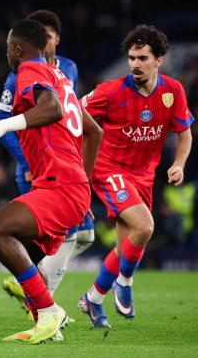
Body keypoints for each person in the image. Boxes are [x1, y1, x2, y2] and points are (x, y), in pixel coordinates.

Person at [0, 19, 102, 344]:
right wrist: (85, 182)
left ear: (16, 49)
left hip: (59, 186)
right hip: (68, 186)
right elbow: (94, 132)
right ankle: (47, 319)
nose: (7, 56)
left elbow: (51, 110)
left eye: (8, 50)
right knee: (22, 253)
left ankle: (50, 313)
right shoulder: (61, 77)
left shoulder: (28, 71)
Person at [77, 25, 194, 328]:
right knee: (144, 227)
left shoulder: (173, 91)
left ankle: (92, 298)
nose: (135, 64)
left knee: (124, 246)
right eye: (131, 58)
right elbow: (73, 114)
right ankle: (125, 283)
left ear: (159, 60)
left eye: (142, 58)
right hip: (109, 171)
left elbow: (184, 133)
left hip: (144, 177)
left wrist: (179, 164)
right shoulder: (110, 91)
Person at [0, 10, 95, 313]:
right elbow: (5, 120)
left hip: (66, 170)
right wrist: (27, 162)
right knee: (69, 232)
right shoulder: (18, 76)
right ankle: (42, 300)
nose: (47, 39)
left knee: (84, 234)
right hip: (38, 169)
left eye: (50, 34)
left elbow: (72, 117)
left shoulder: (66, 71)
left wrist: (80, 169)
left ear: (54, 39)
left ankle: (36, 292)